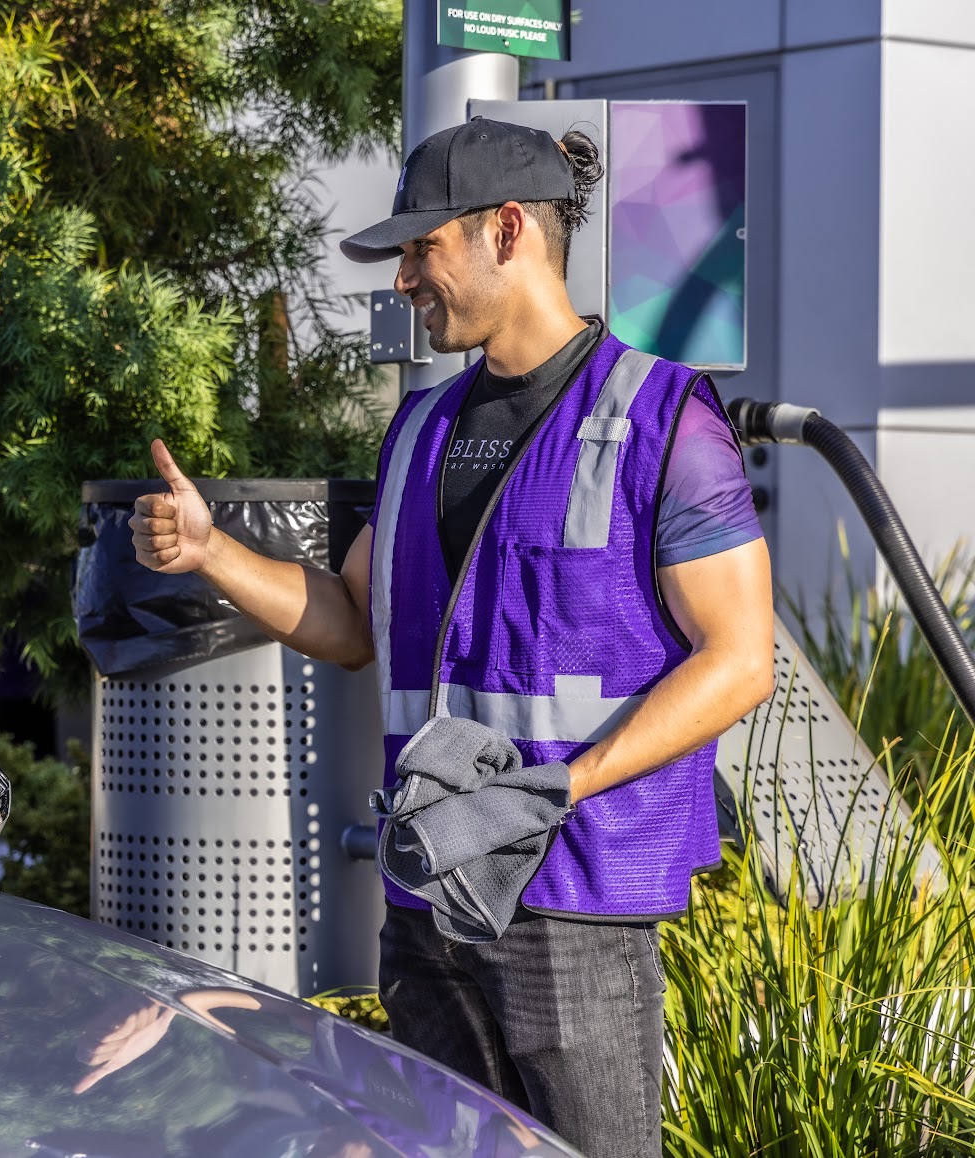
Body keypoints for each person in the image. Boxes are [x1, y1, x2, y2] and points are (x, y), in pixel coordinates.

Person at [129, 116, 774, 1158]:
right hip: (426, 888)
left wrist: (560, 784)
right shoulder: (420, 426)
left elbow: (739, 658)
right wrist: (210, 551)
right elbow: (349, 629)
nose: (401, 281)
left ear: (505, 228)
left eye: (419, 247)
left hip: (571, 899)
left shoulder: (661, 422)